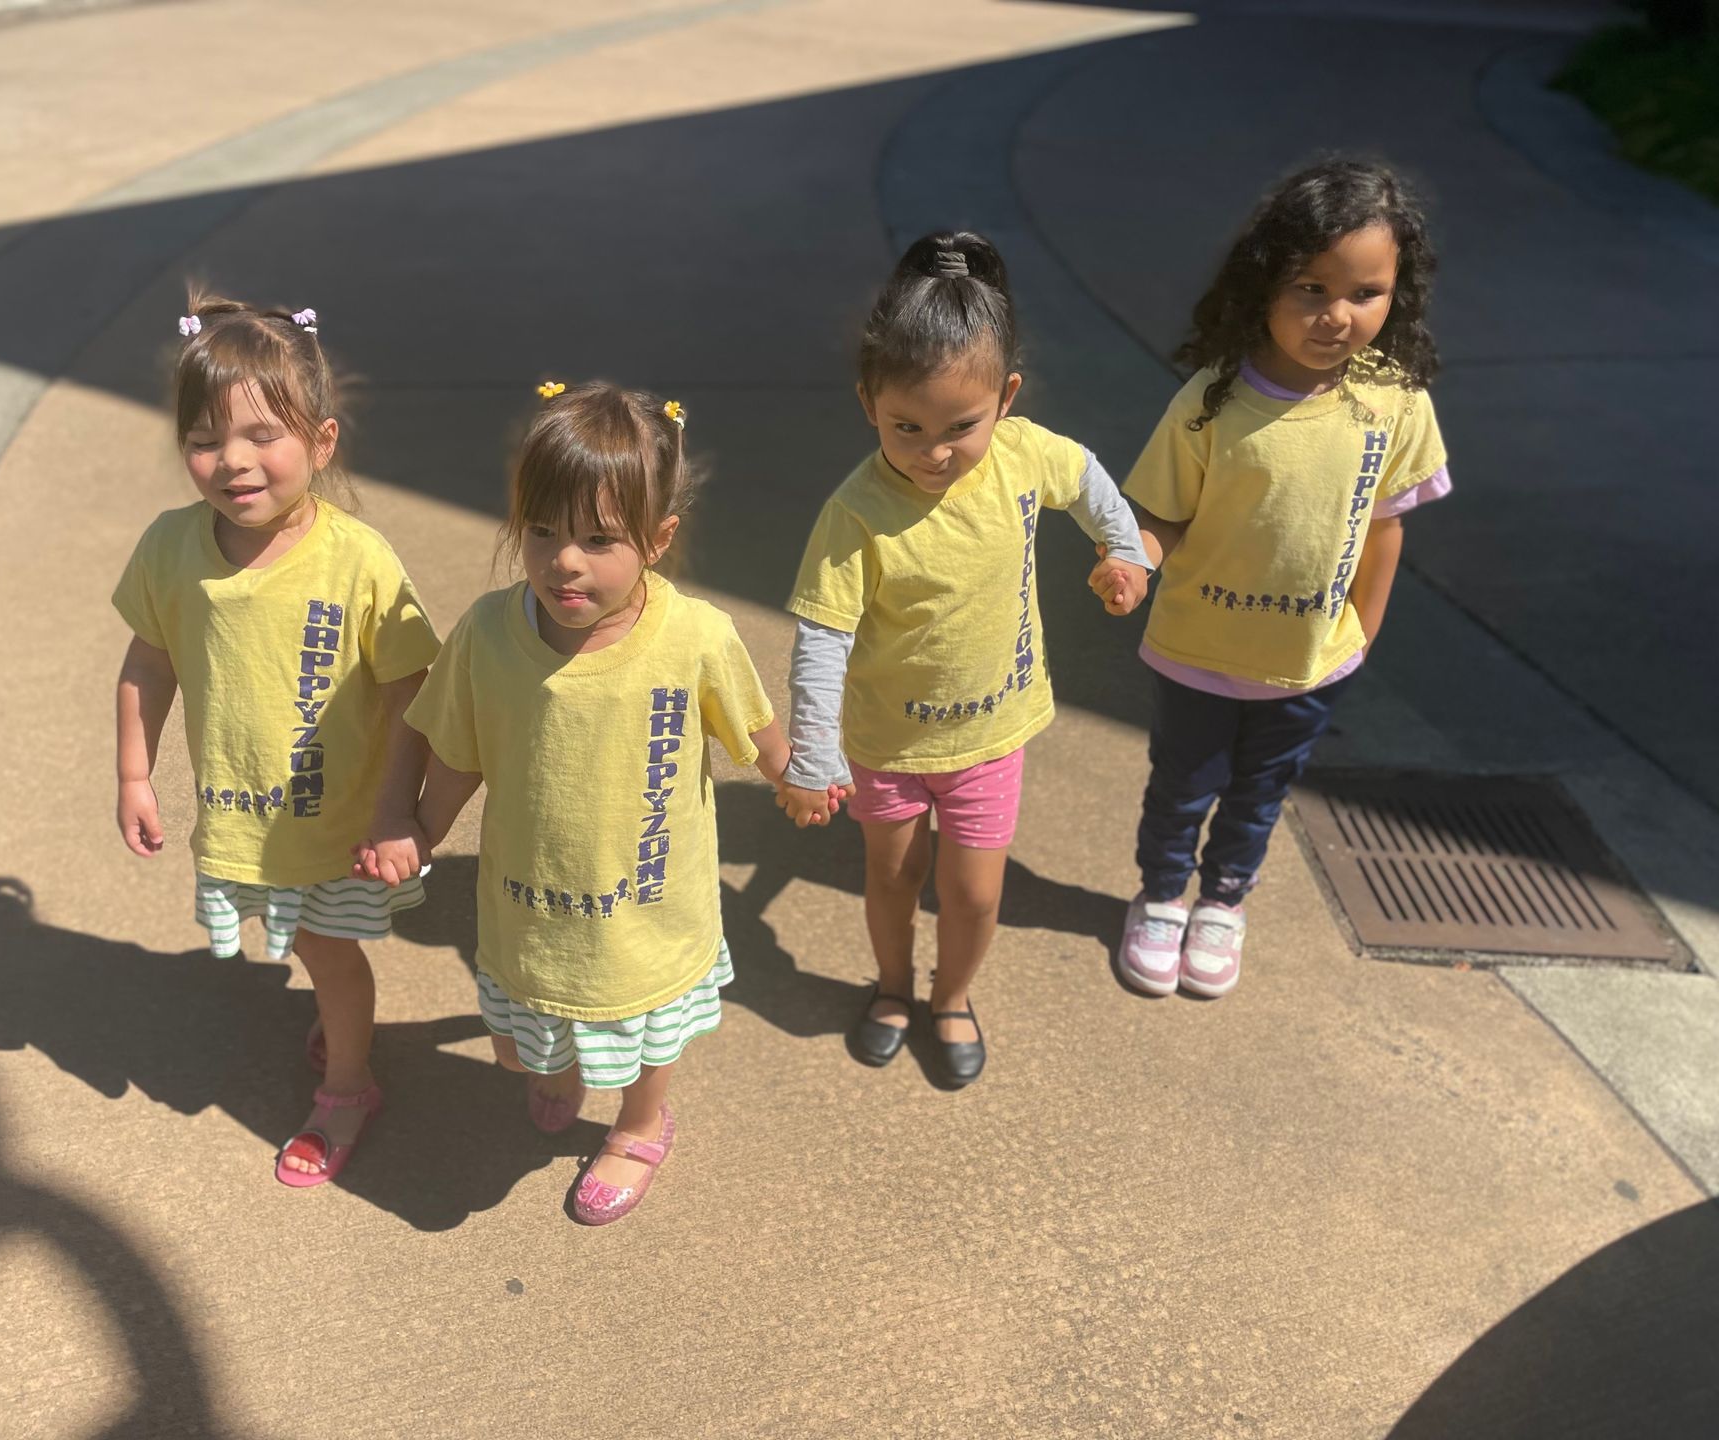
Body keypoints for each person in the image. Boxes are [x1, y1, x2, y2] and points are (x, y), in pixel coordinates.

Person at [360, 381, 798, 1225]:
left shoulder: (694, 635)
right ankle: (558, 1065)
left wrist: (795, 776)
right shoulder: (489, 634)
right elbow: (458, 751)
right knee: (528, 1039)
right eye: (545, 531)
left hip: (650, 907)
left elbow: (757, 726)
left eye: (600, 539)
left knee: (647, 1028)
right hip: (532, 907)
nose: (566, 560)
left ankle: (639, 1127)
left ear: (658, 539)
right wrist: (415, 825)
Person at [780, 231, 1151, 1086]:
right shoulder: (856, 513)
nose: (932, 450)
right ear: (867, 398)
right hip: (889, 745)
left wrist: (1123, 550)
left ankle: (952, 996)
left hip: (992, 734)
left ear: (1006, 399)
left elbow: (1090, 478)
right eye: (905, 425)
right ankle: (892, 986)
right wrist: (815, 754)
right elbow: (823, 640)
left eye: (960, 426)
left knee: (977, 894)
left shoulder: (1023, 457)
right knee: (892, 879)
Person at [113, 294, 438, 1186]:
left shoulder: (358, 560)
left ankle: (348, 1087)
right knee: (304, 941)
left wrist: (394, 807)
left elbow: (420, 692)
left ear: (323, 443)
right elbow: (149, 664)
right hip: (245, 817)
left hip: (339, 827)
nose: (234, 461)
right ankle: (343, 1034)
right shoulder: (172, 548)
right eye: (207, 439)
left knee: (331, 955)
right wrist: (135, 773)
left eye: (264, 435)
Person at [1117, 158, 1452, 999]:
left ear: (1397, 293)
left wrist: (1362, 635)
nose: (1337, 316)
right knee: (1182, 788)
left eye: (1366, 293)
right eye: (1311, 287)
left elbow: (1387, 526)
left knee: (1260, 797)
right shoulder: (1211, 401)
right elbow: (1161, 513)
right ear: (1262, 282)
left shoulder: (1395, 401)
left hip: (1309, 663)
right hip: (1198, 650)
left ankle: (1223, 902)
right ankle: (1161, 896)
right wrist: (1134, 565)